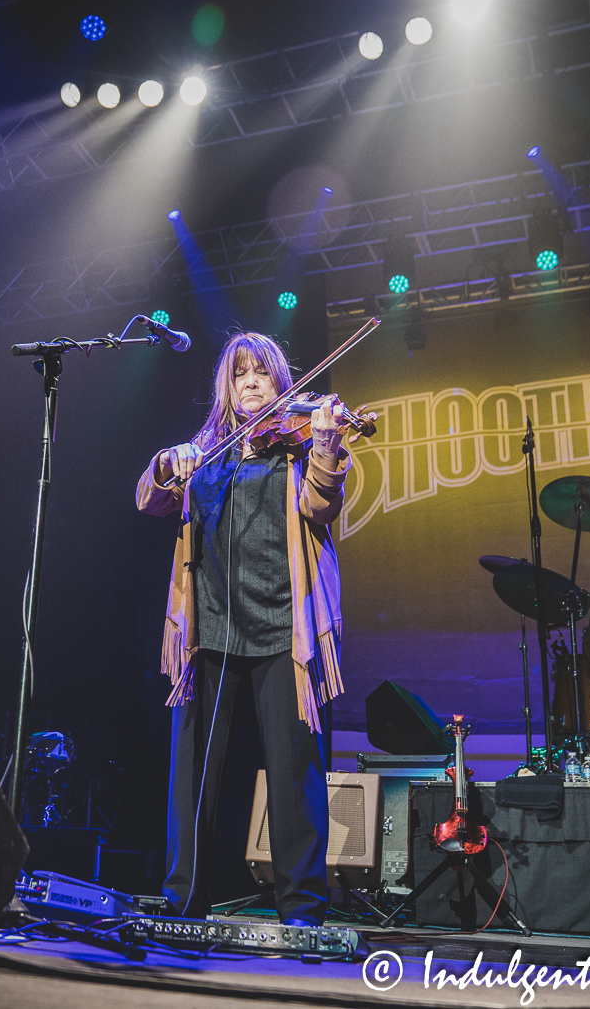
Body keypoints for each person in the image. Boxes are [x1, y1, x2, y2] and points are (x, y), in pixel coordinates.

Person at [135, 331, 370, 926]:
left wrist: (324, 439)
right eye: (239, 374)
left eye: (261, 373)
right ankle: (182, 903)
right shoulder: (206, 449)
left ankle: (303, 910)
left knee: (295, 776)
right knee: (192, 778)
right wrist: (167, 463)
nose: (250, 383)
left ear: (278, 382)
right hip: (207, 632)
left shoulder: (295, 444)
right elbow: (150, 500)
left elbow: (321, 505)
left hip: (282, 629)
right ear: (226, 386)